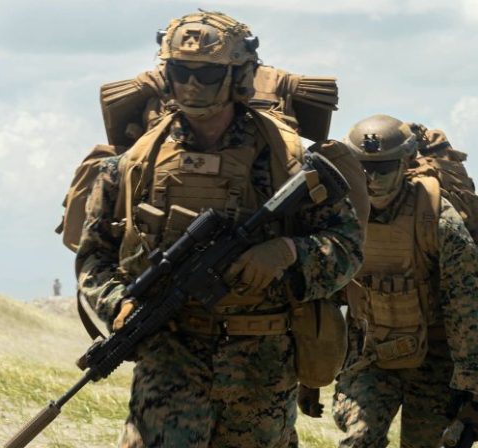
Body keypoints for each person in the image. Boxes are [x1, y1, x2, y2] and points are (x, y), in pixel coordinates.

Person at [75, 11, 363, 448]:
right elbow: (94, 256)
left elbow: (348, 246)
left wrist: (287, 253)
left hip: (261, 364)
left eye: (207, 73)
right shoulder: (134, 164)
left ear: (239, 76)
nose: (192, 84)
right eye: (180, 71)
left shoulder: (286, 160)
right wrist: (118, 304)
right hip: (170, 356)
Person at [331, 114, 478, 447]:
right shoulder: (339, 215)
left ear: (405, 163)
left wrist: (474, 387)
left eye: (384, 168)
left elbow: (468, 305)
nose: (373, 179)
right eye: (364, 168)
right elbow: (322, 295)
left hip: (433, 359)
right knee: (359, 438)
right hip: (371, 356)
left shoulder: (437, 219)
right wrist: (310, 376)